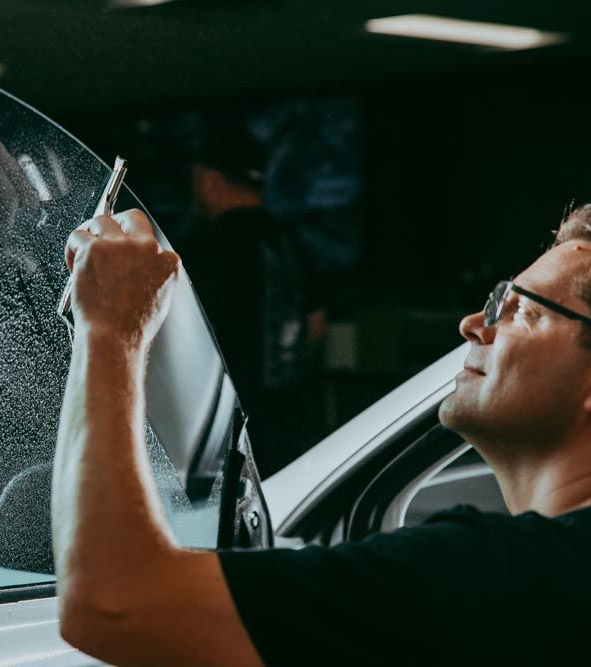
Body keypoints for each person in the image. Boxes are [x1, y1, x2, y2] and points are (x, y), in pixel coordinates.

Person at [52, 204, 591, 665]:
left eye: (520, 308)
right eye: (497, 299)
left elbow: (114, 600)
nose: (474, 324)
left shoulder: (503, 577)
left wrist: (111, 328)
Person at [180, 117, 324, 476]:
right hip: (292, 419)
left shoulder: (204, 246)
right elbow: (316, 326)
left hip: (227, 431)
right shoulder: (293, 241)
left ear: (210, 180)